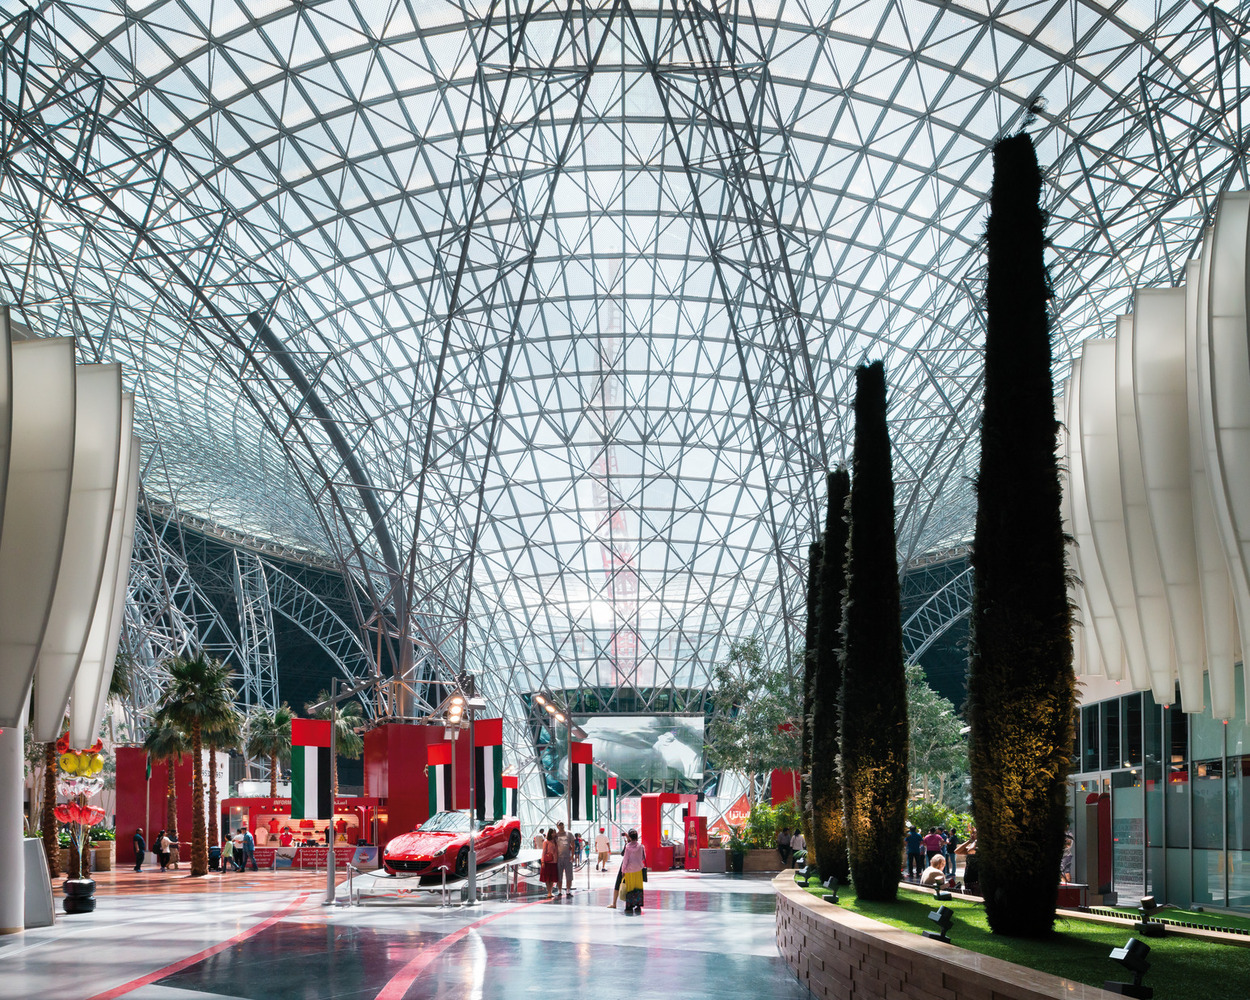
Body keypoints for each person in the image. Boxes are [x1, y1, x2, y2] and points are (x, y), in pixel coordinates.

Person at [619, 829, 647, 914]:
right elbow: (643, 857)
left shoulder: (628, 847)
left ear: (630, 837)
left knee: (630, 888)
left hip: (629, 871)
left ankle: (630, 906)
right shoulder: (641, 846)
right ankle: (638, 905)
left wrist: (623, 870)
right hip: (638, 870)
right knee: (638, 887)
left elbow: (625, 860)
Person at [555, 821, 574, 896]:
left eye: (562, 825)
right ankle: (559, 890)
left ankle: (568, 890)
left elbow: (573, 845)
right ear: (557, 826)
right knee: (559, 875)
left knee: (569, 874)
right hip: (558, 858)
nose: (561, 826)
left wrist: (572, 856)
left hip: (567, 857)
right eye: (560, 825)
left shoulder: (569, 834)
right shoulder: (555, 835)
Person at [540, 828, 559, 899]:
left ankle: (550, 891)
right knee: (547, 878)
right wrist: (542, 861)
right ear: (550, 833)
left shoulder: (555, 841)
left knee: (552, 878)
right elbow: (544, 852)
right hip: (548, 861)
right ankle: (549, 892)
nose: (554, 834)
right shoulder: (546, 842)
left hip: (554, 861)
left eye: (555, 832)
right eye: (553, 832)